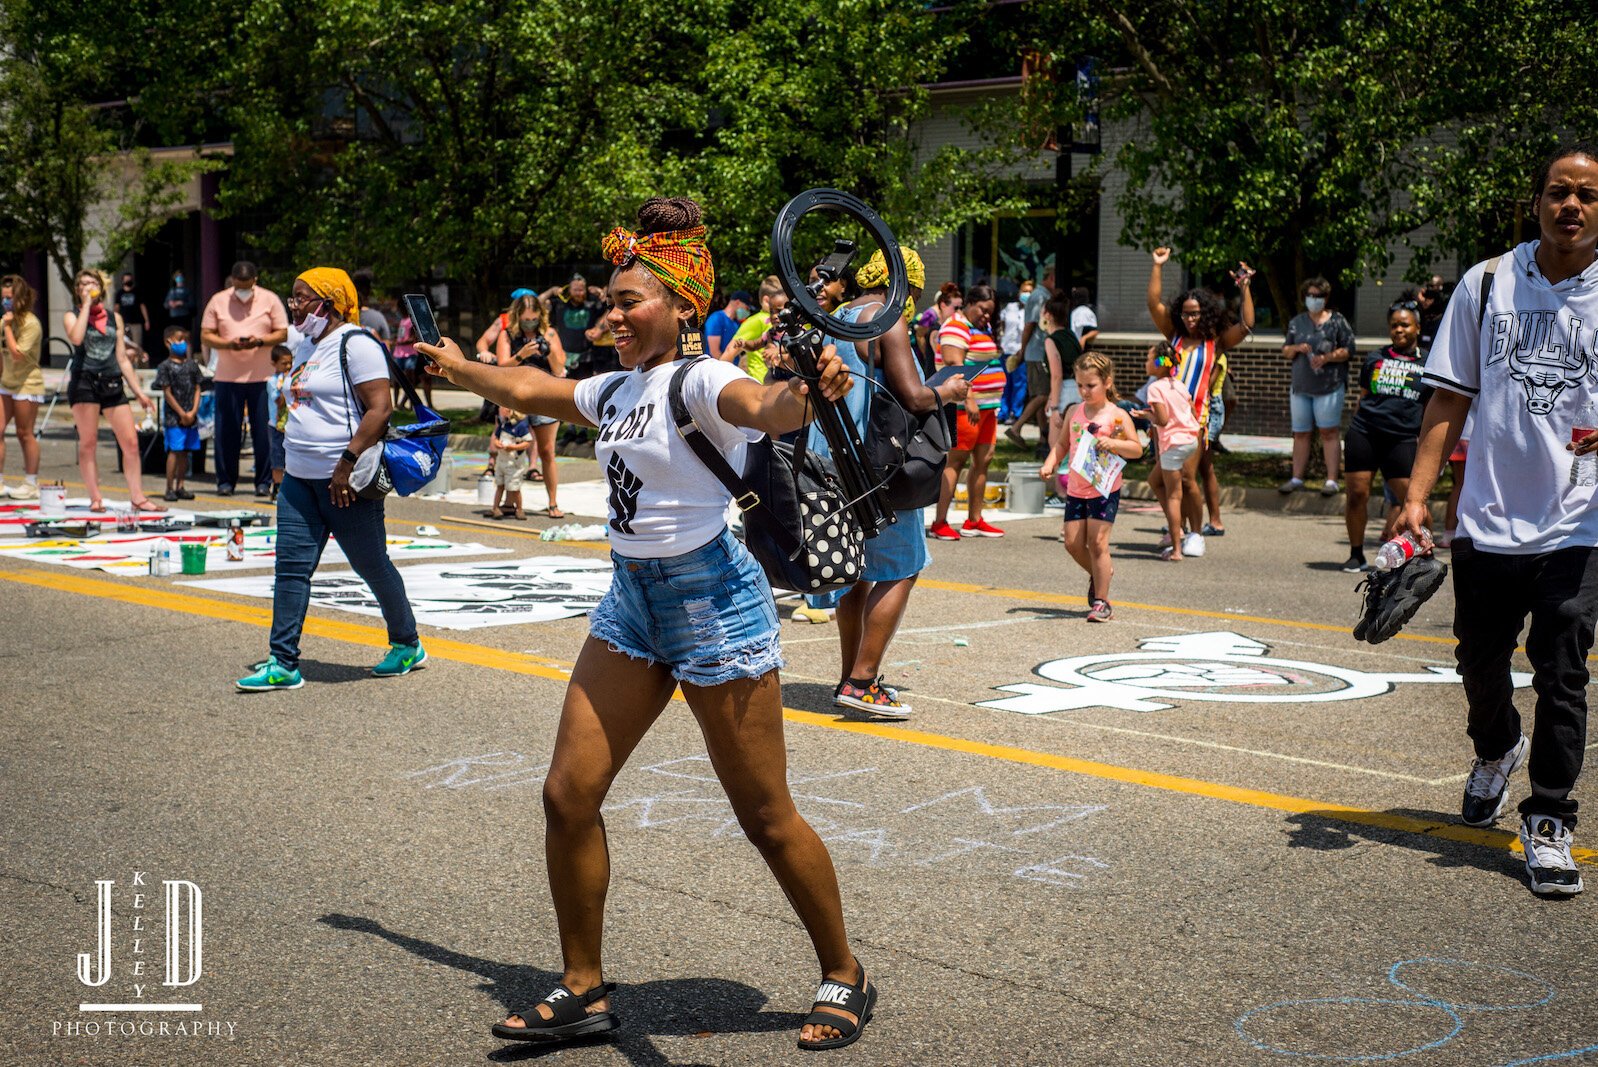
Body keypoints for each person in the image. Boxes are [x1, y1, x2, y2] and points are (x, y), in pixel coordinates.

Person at [417, 196, 879, 1051]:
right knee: (567, 792)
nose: (613, 313)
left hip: (714, 604)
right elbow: (528, 386)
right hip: (633, 602)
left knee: (766, 815)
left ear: (679, 306)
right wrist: (456, 366)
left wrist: (805, 393)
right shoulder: (618, 387)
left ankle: (845, 970)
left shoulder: (699, 378)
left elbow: (764, 408)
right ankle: (584, 987)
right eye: (610, 300)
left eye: (630, 300)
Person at [1398, 143, 1598, 896]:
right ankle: (1497, 746)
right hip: (1486, 516)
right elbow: (1447, 401)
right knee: (1480, 660)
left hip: (1580, 520)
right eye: (1558, 191)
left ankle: (1549, 816)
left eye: (1586, 194)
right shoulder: (1487, 285)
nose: (1570, 205)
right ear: (1537, 201)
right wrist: (1416, 498)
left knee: (1563, 666)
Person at [236, 268, 424, 693]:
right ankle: (282, 662)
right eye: (293, 296)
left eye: (303, 297)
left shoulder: (357, 345)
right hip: (299, 483)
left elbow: (380, 408)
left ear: (331, 302)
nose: (295, 304)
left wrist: (346, 463)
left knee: (371, 566)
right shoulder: (304, 345)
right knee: (291, 569)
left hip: (346, 485)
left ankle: (407, 643)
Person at [813, 247, 969, 717]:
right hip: (880, 465)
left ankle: (849, 674)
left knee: (855, 570)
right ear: (907, 285)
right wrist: (951, 389)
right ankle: (862, 681)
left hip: (834, 458)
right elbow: (914, 396)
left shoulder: (839, 316)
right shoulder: (887, 316)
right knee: (902, 565)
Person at [1145, 247, 1255, 557]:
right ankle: (1175, 528)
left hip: (1195, 420)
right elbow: (1154, 303)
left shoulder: (1215, 341)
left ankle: (1196, 533)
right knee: (1163, 479)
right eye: (1185, 313)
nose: (1190, 318)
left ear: (1205, 312)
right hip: (1165, 418)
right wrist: (1157, 266)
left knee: (1187, 477)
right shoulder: (1173, 335)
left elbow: (1246, 326)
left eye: (1195, 313)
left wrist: (1245, 288)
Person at [1041, 352, 1143, 621]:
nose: (1084, 391)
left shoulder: (1117, 416)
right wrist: (1050, 463)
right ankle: (1101, 573)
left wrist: (1115, 444)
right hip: (1076, 487)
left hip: (1104, 488)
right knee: (1073, 543)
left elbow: (1136, 449)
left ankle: (1102, 601)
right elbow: (1063, 444)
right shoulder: (1075, 411)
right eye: (1080, 385)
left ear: (1107, 382)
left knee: (1097, 544)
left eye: (1091, 385)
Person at [63, 269, 165, 512]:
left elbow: (122, 358)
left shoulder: (114, 318)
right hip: (84, 381)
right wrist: (86, 306)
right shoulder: (72, 315)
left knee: (130, 442)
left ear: (101, 287)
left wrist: (139, 392)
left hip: (111, 381)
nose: (88, 287)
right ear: (78, 290)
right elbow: (76, 338)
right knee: (89, 443)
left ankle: (138, 497)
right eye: (83, 284)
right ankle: (95, 497)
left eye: (92, 283)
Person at [1340, 301, 1430, 572]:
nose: (1399, 329)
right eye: (1394, 325)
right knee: (1356, 494)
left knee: (1413, 499)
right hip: (1365, 432)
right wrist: (1355, 426)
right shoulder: (1375, 358)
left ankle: (1424, 552)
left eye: (1404, 324)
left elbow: (1431, 407)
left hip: (1401, 438)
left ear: (1417, 327)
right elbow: (1363, 397)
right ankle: (1356, 554)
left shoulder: (1429, 362)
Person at [200, 261, 289, 498]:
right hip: (227, 376)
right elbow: (206, 336)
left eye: (246, 287)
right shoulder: (218, 300)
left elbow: (283, 332)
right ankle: (226, 481)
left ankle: (263, 481)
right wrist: (228, 344)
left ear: (255, 281)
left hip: (263, 377)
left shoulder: (269, 299)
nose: (242, 292)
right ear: (232, 281)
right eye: (238, 286)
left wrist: (259, 341)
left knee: (263, 433)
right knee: (227, 431)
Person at [929, 283, 1005, 540]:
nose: (987, 316)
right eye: (983, 310)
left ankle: (974, 519)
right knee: (956, 462)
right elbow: (954, 365)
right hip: (963, 408)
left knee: (983, 461)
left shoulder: (979, 327)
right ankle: (940, 522)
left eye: (990, 312)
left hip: (987, 408)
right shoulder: (955, 326)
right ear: (970, 303)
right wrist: (970, 399)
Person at [1279, 276, 1355, 497]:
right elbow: (1285, 351)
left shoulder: (1337, 321)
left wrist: (1327, 357)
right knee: (1300, 434)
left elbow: (1349, 349)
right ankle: (1296, 478)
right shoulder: (1297, 322)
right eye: (1310, 295)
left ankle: (1331, 480)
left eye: (1318, 296)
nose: (1314, 299)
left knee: (1329, 432)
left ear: (1326, 297)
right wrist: (1295, 348)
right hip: (1301, 387)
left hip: (1329, 387)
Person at [496, 292, 568, 517]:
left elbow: (559, 370)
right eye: (526, 319)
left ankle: (553, 502)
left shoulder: (549, 333)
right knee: (511, 451)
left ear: (540, 316)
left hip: (546, 397)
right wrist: (521, 354)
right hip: (516, 398)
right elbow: (500, 368)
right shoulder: (507, 335)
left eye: (534, 318)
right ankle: (510, 503)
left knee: (547, 451)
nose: (530, 323)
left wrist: (547, 351)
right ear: (518, 317)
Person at [1134, 342, 1201, 561]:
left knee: (1174, 496)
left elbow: (1162, 420)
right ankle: (1177, 533)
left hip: (1173, 445)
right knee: (1154, 480)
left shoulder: (1155, 387)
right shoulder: (1178, 384)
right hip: (1190, 440)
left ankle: (1176, 549)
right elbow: (1190, 409)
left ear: (1158, 364)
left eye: (1148, 358)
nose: (1145, 362)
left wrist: (1146, 416)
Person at [0, 274, 44, 500]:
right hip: (6, 383)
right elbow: (2, 353)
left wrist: (7, 326)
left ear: (21, 298)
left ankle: (31, 483)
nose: (5, 303)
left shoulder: (31, 323)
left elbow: (17, 354)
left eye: (10, 298)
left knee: (24, 433)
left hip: (27, 383)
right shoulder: (5, 322)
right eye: (3, 298)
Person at [1009, 267, 1056, 455]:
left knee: (1039, 394)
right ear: (1051, 278)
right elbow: (1029, 325)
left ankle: (1042, 438)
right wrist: (1022, 350)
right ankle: (1016, 427)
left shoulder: (1041, 295)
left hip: (1036, 352)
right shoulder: (1039, 296)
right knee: (1043, 395)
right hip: (1037, 352)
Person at [155, 328, 204, 502]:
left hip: (191, 416)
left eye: (185, 340)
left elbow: (199, 387)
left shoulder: (192, 365)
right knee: (174, 451)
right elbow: (167, 392)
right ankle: (169, 487)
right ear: (168, 342)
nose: (183, 343)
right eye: (179, 339)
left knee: (186, 452)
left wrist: (192, 411)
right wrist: (182, 413)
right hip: (174, 417)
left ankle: (180, 485)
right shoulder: (165, 367)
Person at [724, 275, 786, 384]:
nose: (775, 315)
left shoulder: (792, 327)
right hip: (763, 383)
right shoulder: (758, 321)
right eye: (773, 311)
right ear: (767, 301)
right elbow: (730, 351)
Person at [997, 280, 1032, 427]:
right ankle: (1003, 412)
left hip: (1020, 352)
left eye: (1029, 291)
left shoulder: (1031, 312)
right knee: (1005, 382)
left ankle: (1015, 413)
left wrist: (1023, 350)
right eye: (1024, 291)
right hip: (1006, 349)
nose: (1026, 294)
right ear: (1019, 292)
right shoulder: (1010, 307)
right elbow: (1001, 324)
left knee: (1019, 384)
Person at [490, 407, 533, 519]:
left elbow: (527, 442)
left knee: (515, 487)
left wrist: (513, 447)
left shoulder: (521, 426)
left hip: (514, 463)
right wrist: (496, 443)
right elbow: (496, 437)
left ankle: (519, 509)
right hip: (501, 461)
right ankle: (495, 508)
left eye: (505, 409)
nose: (501, 411)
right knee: (500, 485)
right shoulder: (504, 425)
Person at [264, 343, 293, 500]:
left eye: (290, 362)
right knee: (277, 458)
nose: (288, 366)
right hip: (277, 427)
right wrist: (285, 385)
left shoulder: (292, 379)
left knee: (290, 458)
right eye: (284, 363)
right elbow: (279, 402)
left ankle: (289, 489)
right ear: (274, 364)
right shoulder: (272, 382)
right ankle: (277, 487)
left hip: (291, 426)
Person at [912, 283, 961, 376]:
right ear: (943, 305)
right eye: (956, 308)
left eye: (960, 308)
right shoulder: (936, 330)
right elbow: (920, 335)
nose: (959, 312)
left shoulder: (944, 327)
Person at [704, 288, 752, 360]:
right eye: (747, 308)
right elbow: (714, 351)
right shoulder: (716, 318)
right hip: (716, 367)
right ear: (738, 302)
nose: (747, 312)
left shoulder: (737, 324)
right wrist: (726, 368)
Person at [115, 272, 152, 362]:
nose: (129, 281)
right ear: (123, 281)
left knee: (137, 344)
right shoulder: (119, 293)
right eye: (127, 280)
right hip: (123, 323)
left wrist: (146, 320)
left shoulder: (137, 292)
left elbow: (142, 306)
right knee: (124, 344)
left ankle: (138, 365)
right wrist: (114, 320)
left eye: (130, 280)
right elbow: (116, 308)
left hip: (136, 322)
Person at [163, 269, 195, 334]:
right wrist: (170, 304)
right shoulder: (172, 291)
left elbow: (192, 304)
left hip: (184, 317)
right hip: (174, 317)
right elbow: (165, 305)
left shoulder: (187, 290)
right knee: (175, 335)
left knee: (185, 335)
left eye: (181, 277)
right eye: (177, 277)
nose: (179, 279)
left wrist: (181, 303)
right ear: (175, 279)